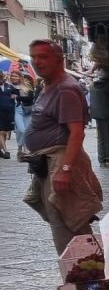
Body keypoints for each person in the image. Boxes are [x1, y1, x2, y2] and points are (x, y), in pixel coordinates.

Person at [21, 38, 102, 254]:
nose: (37, 62)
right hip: (51, 163)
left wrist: (65, 170)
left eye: (43, 56)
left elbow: (77, 132)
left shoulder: (65, 90)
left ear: (59, 59)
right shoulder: (49, 86)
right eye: (34, 57)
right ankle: (81, 276)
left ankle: (81, 277)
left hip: (62, 162)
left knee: (67, 222)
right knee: (66, 222)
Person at [0, 74, 17, 158]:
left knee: (5, 132)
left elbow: (18, 94)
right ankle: (6, 151)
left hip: (9, 112)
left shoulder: (9, 86)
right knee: (1, 132)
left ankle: (0, 149)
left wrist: (15, 96)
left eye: (1, 77)